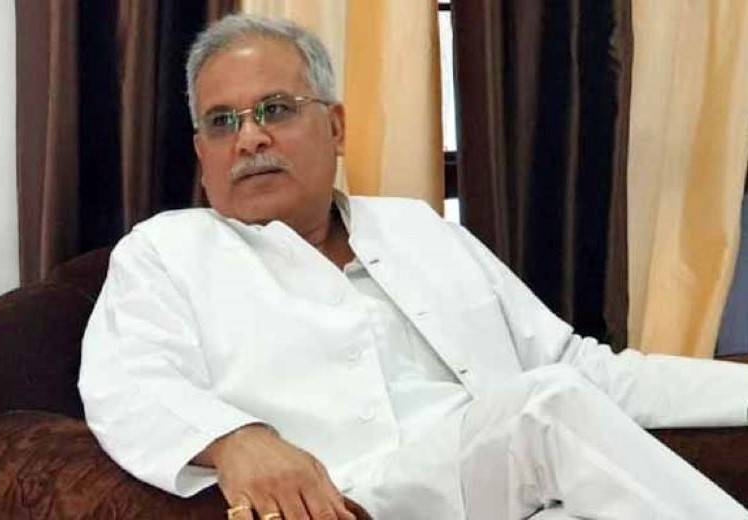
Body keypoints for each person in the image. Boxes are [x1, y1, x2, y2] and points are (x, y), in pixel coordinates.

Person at [78, 14, 748, 520]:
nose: (249, 137)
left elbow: (581, 368)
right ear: (202, 153)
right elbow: (126, 383)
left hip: (506, 488)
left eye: (275, 109)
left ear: (336, 128)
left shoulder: (417, 229)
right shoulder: (167, 251)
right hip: (363, 497)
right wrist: (234, 440)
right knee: (545, 406)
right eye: (222, 122)